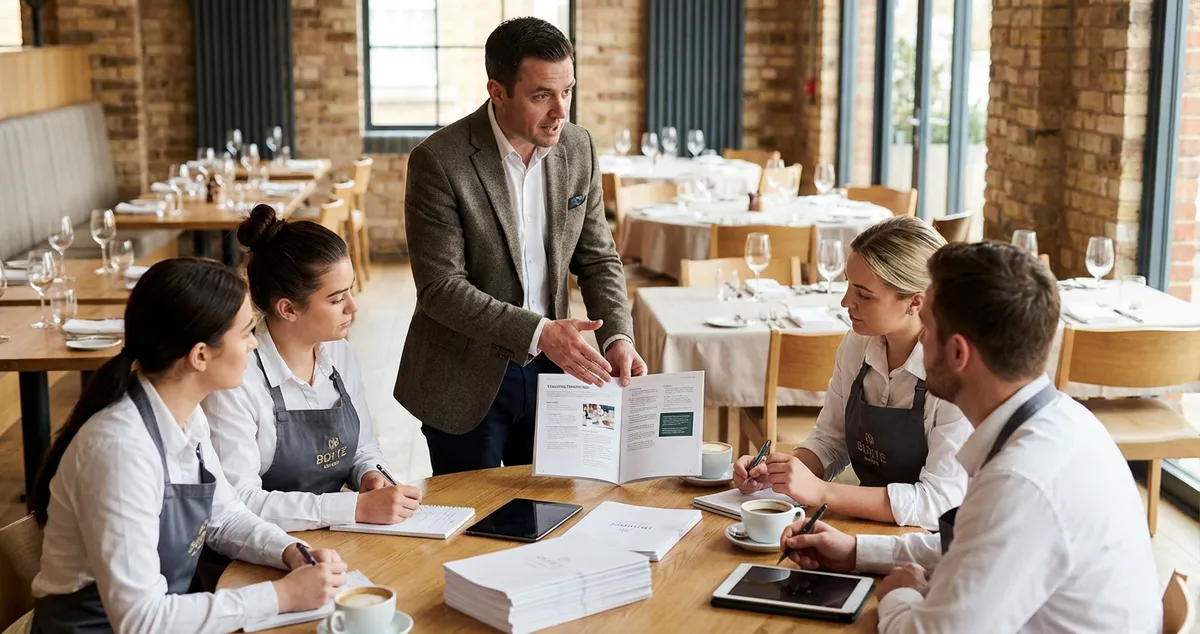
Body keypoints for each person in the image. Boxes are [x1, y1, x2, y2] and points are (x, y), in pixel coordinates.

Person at [779, 243, 1161, 632]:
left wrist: (901, 593)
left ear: (958, 352)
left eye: (926, 326)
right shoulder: (1065, 422)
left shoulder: (1019, 480)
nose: (919, 342)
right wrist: (857, 552)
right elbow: (970, 543)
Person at [29, 258, 347, 634]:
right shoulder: (119, 451)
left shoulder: (186, 415)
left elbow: (225, 516)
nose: (254, 343)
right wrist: (280, 597)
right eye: (246, 332)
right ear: (199, 356)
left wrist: (290, 551)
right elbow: (140, 620)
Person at [396, 16, 644, 475]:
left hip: (557, 374)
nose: (561, 111)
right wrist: (539, 332)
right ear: (498, 92)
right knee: (472, 530)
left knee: (551, 517)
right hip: (466, 376)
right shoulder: (439, 160)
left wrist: (618, 336)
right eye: (542, 95)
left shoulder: (579, 147)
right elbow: (440, 288)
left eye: (567, 90)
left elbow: (598, 258)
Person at [733, 216, 972, 529]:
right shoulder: (858, 343)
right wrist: (783, 473)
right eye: (848, 285)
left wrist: (820, 491)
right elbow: (831, 440)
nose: (846, 302)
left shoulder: (958, 374)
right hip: (864, 524)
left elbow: (937, 501)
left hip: (937, 542)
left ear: (915, 302)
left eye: (864, 295)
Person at [203, 205, 421, 533]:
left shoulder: (339, 353)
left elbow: (363, 445)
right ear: (288, 309)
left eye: (350, 291)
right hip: (258, 549)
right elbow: (240, 501)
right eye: (336, 299)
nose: (353, 305)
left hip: (334, 536)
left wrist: (371, 475)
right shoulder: (238, 378)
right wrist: (354, 507)